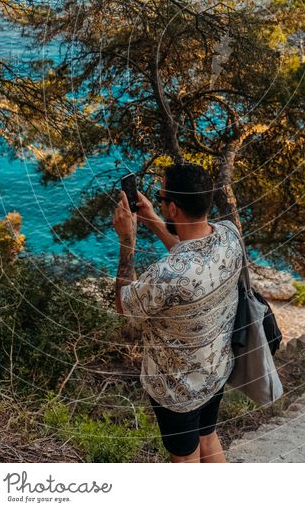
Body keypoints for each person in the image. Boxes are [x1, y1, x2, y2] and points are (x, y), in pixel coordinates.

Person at [112, 162, 243, 463]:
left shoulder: (166, 275)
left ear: (173, 208)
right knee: (207, 438)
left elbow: (124, 305)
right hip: (215, 369)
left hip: (177, 391)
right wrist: (153, 220)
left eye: (159, 197)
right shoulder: (229, 235)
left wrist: (127, 240)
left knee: (185, 460)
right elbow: (190, 253)